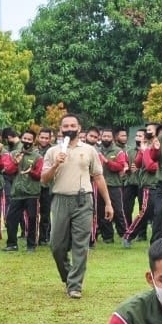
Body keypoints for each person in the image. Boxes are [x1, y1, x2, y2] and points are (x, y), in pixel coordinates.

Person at [40, 113, 111, 300]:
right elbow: (44, 179)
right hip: (60, 200)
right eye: (66, 126)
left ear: (79, 129)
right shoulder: (52, 151)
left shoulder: (89, 150)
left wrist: (108, 203)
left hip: (83, 200)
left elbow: (98, 176)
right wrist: (56, 164)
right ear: (60, 130)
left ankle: (75, 285)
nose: (69, 128)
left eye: (73, 125)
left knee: (81, 244)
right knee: (57, 245)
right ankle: (69, 276)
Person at [0, 131, 43, 251]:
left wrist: (31, 172)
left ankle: (31, 245)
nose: (27, 141)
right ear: (21, 139)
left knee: (32, 219)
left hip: (32, 193)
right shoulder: (13, 154)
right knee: (10, 219)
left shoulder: (37, 157)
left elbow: (40, 175)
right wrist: (15, 163)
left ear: (33, 141)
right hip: (17, 192)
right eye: (25, 138)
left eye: (29, 139)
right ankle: (12, 244)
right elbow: (8, 171)